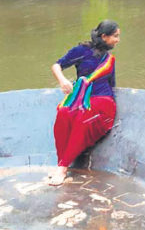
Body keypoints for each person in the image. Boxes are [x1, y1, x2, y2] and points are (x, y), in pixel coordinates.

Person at [49, 20, 121, 185]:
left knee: (83, 118)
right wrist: (62, 81)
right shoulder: (81, 51)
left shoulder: (110, 59)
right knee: (63, 113)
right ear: (104, 36)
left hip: (103, 103)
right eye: (115, 36)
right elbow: (56, 65)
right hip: (83, 99)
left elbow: (112, 85)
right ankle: (61, 162)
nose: (117, 40)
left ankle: (63, 168)